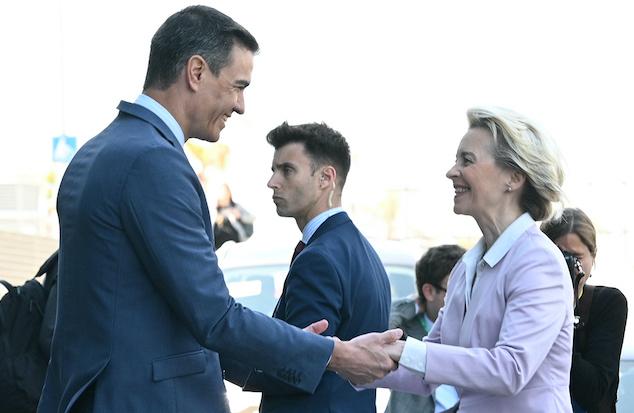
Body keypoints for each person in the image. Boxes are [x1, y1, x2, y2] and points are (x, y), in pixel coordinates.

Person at [38, 6, 401, 413]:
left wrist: (299, 353)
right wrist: (333, 354)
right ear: (196, 72)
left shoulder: (96, 152)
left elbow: (166, 310)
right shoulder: (154, 162)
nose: (241, 105)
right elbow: (212, 315)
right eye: (237, 86)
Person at [365, 106, 575, 412]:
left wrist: (405, 352)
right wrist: (349, 360)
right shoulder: (467, 266)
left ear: (514, 178)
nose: (452, 171)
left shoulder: (538, 262)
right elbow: (432, 364)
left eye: (467, 160)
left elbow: (510, 368)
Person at [222, 122, 392, 412]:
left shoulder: (319, 258)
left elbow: (302, 366)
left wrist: (220, 353)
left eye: (287, 170)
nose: (272, 182)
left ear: (326, 177)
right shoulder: (362, 250)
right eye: (273, 169)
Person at [541, 208, 628, 413]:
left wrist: (568, 304)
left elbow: (594, 390)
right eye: (560, 256)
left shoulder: (608, 303)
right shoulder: (526, 302)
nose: (568, 265)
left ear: (593, 255)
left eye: (576, 257)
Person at [385, 244, 465, 413]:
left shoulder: (472, 330)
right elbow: (378, 332)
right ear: (429, 292)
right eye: (455, 289)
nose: (464, 297)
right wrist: (411, 306)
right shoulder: (406, 330)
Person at [213, 183, 255, 249]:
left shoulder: (235, 207)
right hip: (218, 240)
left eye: (225, 192)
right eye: (221, 192)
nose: (223, 195)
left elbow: (252, 218)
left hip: (235, 238)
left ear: (229, 193)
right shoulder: (215, 209)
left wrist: (240, 216)